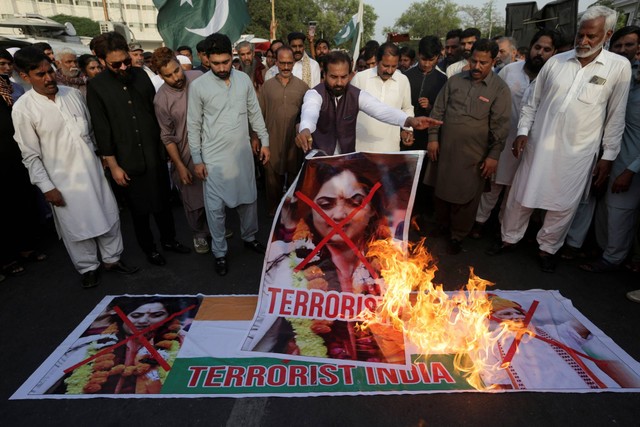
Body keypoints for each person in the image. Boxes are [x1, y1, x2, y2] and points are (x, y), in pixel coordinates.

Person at [492, 6, 631, 273]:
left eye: (591, 36)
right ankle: (509, 239)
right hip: (539, 144)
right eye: (581, 35)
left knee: (563, 205)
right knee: (521, 194)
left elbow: (616, 116)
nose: (583, 41)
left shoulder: (618, 67)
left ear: (607, 34)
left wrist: (608, 157)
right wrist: (523, 131)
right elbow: (532, 102)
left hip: (579, 153)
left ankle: (547, 249)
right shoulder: (556, 62)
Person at [243, 153, 409, 364]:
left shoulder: (390, 259)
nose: (339, 215)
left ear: (372, 210)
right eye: (326, 204)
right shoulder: (287, 262)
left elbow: (397, 330)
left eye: (354, 202)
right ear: (311, 211)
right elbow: (267, 334)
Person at [12, 47, 138, 288]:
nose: (49, 78)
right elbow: (30, 155)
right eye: (40, 74)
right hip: (62, 181)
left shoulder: (72, 95)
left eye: (50, 71)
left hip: (93, 170)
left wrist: (104, 160)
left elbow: (90, 131)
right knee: (76, 225)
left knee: (108, 214)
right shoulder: (23, 109)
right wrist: (47, 187)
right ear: (25, 77)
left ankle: (112, 259)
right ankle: (88, 267)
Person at [88, 32, 190, 267]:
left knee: (163, 202)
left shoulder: (141, 75)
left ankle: (170, 240)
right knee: (139, 210)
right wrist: (113, 165)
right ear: (103, 61)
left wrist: (166, 150)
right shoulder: (97, 86)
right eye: (117, 64)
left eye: (126, 60)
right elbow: (101, 129)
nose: (124, 66)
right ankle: (149, 249)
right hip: (126, 159)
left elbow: (156, 114)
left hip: (154, 153)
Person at [187, 33, 270, 276]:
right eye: (216, 63)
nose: (222, 68)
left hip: (242, 154)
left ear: (232, 56)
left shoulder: (243, 79)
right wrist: (197, 159)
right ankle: (220, 252)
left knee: (249, 201)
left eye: (226, 62)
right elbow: (193, 126)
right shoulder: (198, 87)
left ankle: (249, 237)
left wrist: (264, 142)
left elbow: (254, 113)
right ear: (206, 60)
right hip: (213, 159)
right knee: (215, 209)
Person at [427, 39, 511, 254]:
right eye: (474, 61)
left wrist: (493, 156)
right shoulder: (454, 81)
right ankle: (442, 227)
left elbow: (500, 127)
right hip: (445, 151)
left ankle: (458, 236)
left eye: (483, 62)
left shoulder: (499, 89)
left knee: (466, 199)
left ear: (493, 61)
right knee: (441, 192)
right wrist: (433, 138)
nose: (477, 66)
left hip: (473, 156)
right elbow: (437, 111)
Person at [473, 30, 559, 238]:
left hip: (533, 145)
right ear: (530, 47)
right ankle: (479, 223)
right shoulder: (510, 71)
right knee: (492, 185)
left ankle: (504, 231)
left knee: (516, 192)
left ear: (554, 53)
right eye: (537, 47)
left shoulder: (556, 78)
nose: (540, 53)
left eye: (547, 50)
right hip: (503, 139)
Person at [44, 296, 201, 395]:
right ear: (123, 317)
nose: (143, 321)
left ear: (168, 317)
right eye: (136, 315)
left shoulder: (179, 340)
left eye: (156, 315)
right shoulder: (93, 344)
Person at [296, 51, 441, 156]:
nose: (339, 83)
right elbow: (310, 112)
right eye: (334, 77)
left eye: (344, 77)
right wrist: (305, 129)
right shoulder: (315, 94)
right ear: (324, 75)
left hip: (346, 160)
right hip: (319, 160)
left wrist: (409, 121)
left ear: (350, 74)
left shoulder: (356, 94)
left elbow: (380, 110)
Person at [482, 295, 640, 389]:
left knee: (614, 365)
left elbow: (580, 327)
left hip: (595, 390)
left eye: (516, 312)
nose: (513, 317)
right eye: (505, 314)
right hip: (545, 400)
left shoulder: (551, 330)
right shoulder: (491, 343)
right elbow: (497, 381)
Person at [580, 40, 640, 272]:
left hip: (629, 165)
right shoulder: (627, 79)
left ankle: (613, 259)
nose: (623, 50)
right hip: (607, 157)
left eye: (630, 45)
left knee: (620, 212)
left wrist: (631, 170)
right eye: (619, 45)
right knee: (604, 209)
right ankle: (604, 251)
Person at [152, 47, 211, 255]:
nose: (176, 77)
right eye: (168, 75)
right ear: (160, 75)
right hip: (186, 156)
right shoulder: (161, 100)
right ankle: (200, 235)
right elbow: (167, 137)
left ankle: (214, 228)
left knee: (214, 196)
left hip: (212, 148)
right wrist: (180, 166)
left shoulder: (198, 77)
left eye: (177, 71)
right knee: (194, 201)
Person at [0, 48, 47, 280]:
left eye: (8, 64)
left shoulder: (16, 89)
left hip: (19, 152)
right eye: (1, 64)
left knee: (25, 202)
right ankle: (7, 258)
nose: (6, 68)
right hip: (1, 158)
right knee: (5, 209)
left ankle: (27, 247)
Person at [258, 46, 308, 217]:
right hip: (272, 140)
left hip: (295, 143)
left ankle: (292, 214)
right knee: (272, 180)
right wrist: (256, 138)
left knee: (295, 179)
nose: (286, 67)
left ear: (294, 63)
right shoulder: (267, 87)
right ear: (276, 63)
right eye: (282, 63)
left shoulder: (303, 87)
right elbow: (259, 114)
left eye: (289, 63)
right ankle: (273, 214)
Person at [404, 36, 449, 227]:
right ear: (418, 55)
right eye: (423, 59)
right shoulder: (405, 76)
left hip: (429, 137)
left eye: (432, 60)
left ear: (438, 57)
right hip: (406, 134)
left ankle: (421, 214)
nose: (427, 64)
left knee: (424, 178)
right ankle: (404, 212)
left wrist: (430, 106)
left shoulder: (442, 80)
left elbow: (444, 112)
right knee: (405, 174)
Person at [351, 42, 414, 152]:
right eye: (385, 66)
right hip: (360, 147)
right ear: (377, 61)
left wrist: (408, 130)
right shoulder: (360, 78)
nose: (389, 71)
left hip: (390, 147)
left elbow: (407, 108)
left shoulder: (402, 80)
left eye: (393, 66)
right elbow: (348, 109)